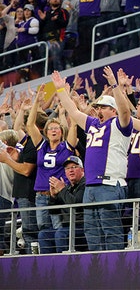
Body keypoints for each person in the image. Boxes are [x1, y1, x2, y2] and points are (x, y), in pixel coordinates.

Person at [51, 67, 133, 251]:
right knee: (92, 232)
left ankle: (114, 269)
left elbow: (125, 111)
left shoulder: (120, 125)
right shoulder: (93, 124)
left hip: (110, 185)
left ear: (113, 110)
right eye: (96, 107)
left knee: (110, 230)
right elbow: (73, 111)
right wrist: (60, 90)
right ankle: (97, 270)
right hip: (90, 187)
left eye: (102, 107)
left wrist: (114, 84)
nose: (97, 110)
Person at [27, 87, 76, 253]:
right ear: (46, 133)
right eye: (50, 128)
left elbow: (74, 124)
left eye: (57, 128)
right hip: (41, 195)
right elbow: (29, 124)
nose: (54, 130)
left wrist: (69, 103)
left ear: (62, 132)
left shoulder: (66, 147)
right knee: (43, 231)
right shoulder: (42, 146)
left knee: (58, 230)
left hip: (60, 195)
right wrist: (37, 101)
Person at [48, 155, 87, 252]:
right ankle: (48, 265)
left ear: (82, 170)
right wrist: (53, 196)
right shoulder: (68, 188)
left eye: (74, 167)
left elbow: (76, 206)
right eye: (67, 168)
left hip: (82, 227)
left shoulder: (85, 185)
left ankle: (62, 264)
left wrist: (62, 189)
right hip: (67, 228)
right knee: (44, 234)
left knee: (61, 233)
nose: (70, 170)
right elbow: (53, 211)